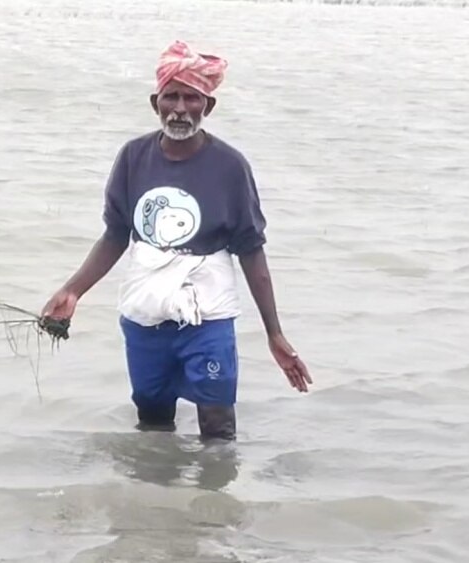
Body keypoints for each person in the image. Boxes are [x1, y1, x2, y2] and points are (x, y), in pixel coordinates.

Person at [40, 40, 311, 441]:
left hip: (208, 315)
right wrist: (73, 291)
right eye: (171, 97)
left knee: (218, 426)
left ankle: (214, 501)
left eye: (191, 98)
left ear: (208, 106)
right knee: (152, 421)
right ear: (156, 103)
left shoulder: (230, 167)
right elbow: (116, 235)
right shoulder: (134, 158)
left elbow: (251, 251)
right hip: (145, 314)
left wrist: (274, 332)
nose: (180, 109)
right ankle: (153, 500)